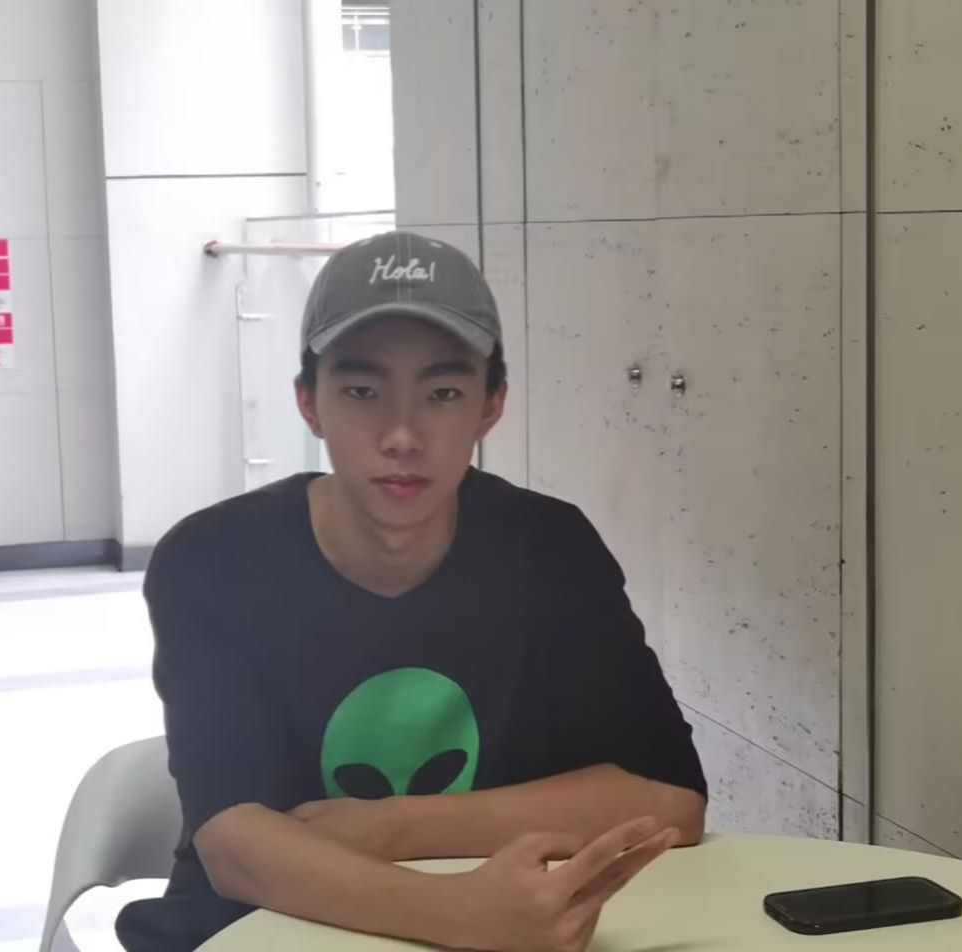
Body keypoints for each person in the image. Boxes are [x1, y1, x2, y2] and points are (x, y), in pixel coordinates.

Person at [116, 231, 707, 952]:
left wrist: (391, 826)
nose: (401, 435)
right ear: (309, 403)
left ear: (491, 406)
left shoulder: (549, 549)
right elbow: (234, 843)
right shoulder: (216, 560)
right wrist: (462, 915)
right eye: (362, 391)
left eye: (443, 393)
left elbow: (669, 800)